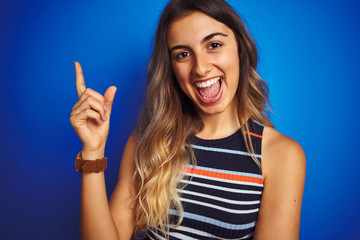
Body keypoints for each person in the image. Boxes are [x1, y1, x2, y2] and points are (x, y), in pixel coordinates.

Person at [70, 0, 306, 239]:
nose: (201, 68)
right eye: (183, 54)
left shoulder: (281, 155)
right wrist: (93, 150)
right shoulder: (147, 142)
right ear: (171, 67)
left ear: (240, 50)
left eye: (214, 45)